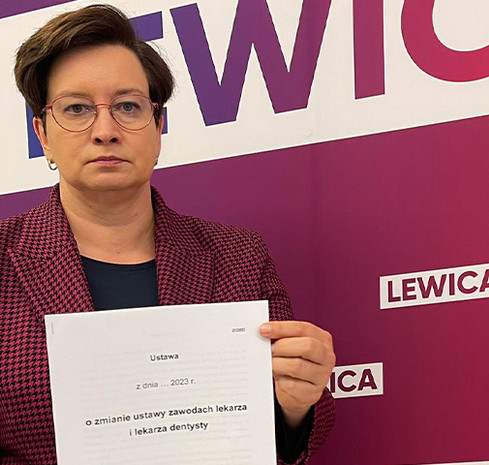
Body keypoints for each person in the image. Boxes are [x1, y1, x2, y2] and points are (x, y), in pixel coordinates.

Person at [0, 4, 334, 464]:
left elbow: (293, 432)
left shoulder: (238, 256)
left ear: (157, 127)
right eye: (76, 109)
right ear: (43, 135)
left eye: (128, 106)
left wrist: (294, 406)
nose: (105, 131)